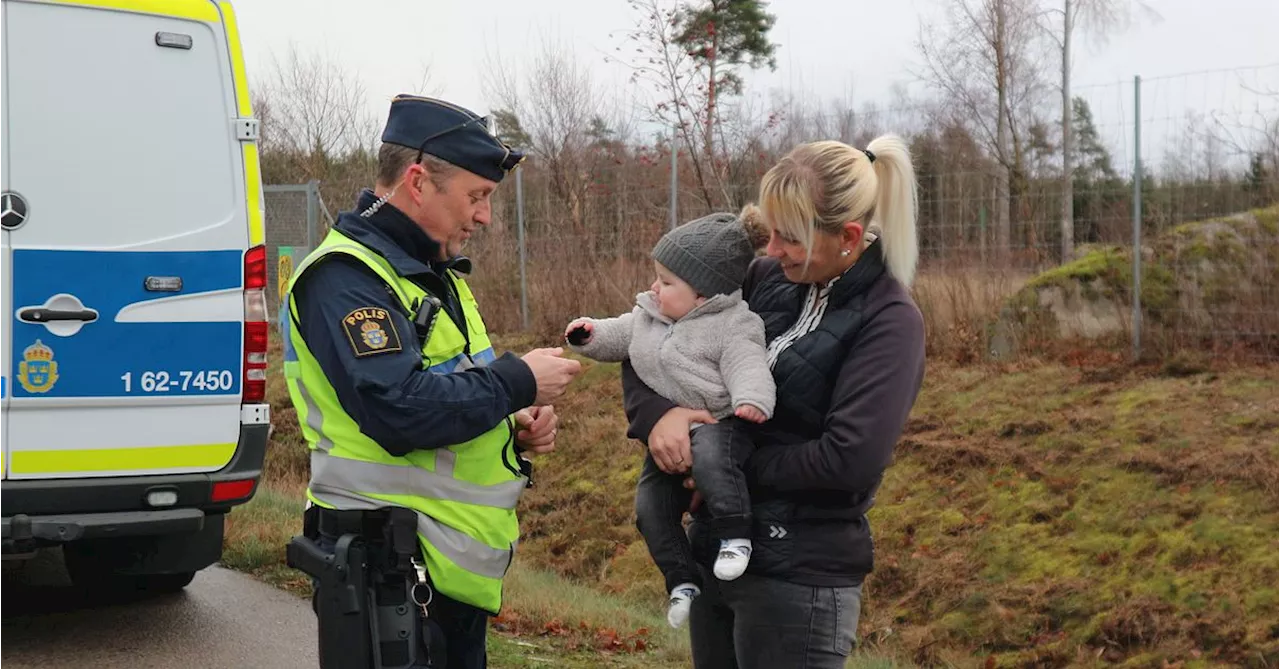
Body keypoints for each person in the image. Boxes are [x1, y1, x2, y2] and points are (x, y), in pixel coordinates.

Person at [280, 94, 582, 669]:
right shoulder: (346, 278)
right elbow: (400, 409)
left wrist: (510, 424)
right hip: (386, 570)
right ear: (418, 182)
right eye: (477, 196)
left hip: (440, 574)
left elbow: (453, 391)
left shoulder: (431, 275)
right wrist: (517, 382)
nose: (485, 216)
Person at [620, 137, 927, 668]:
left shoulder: (890, 323)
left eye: (790, 237)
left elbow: (847, 459)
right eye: (772, 230)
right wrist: (658, 417)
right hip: (717, 555)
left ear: (848, 237)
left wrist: (720, 466)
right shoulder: (765, 281)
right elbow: (651, 336)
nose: (771, 250)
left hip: (798, 577)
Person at [563, 210, 775, 630]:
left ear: (704, 293)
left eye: (667, 282)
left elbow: (748, 365)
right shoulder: (650, 316)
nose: (654, 288)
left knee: (715, 461)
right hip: (669, 439)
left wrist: (751, 400)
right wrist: (589, 335)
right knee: (649, 507)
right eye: (656, 277)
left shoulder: (733, 325)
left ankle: (736, 536)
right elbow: (619, 335)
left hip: (720, 425)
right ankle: (681, 581)